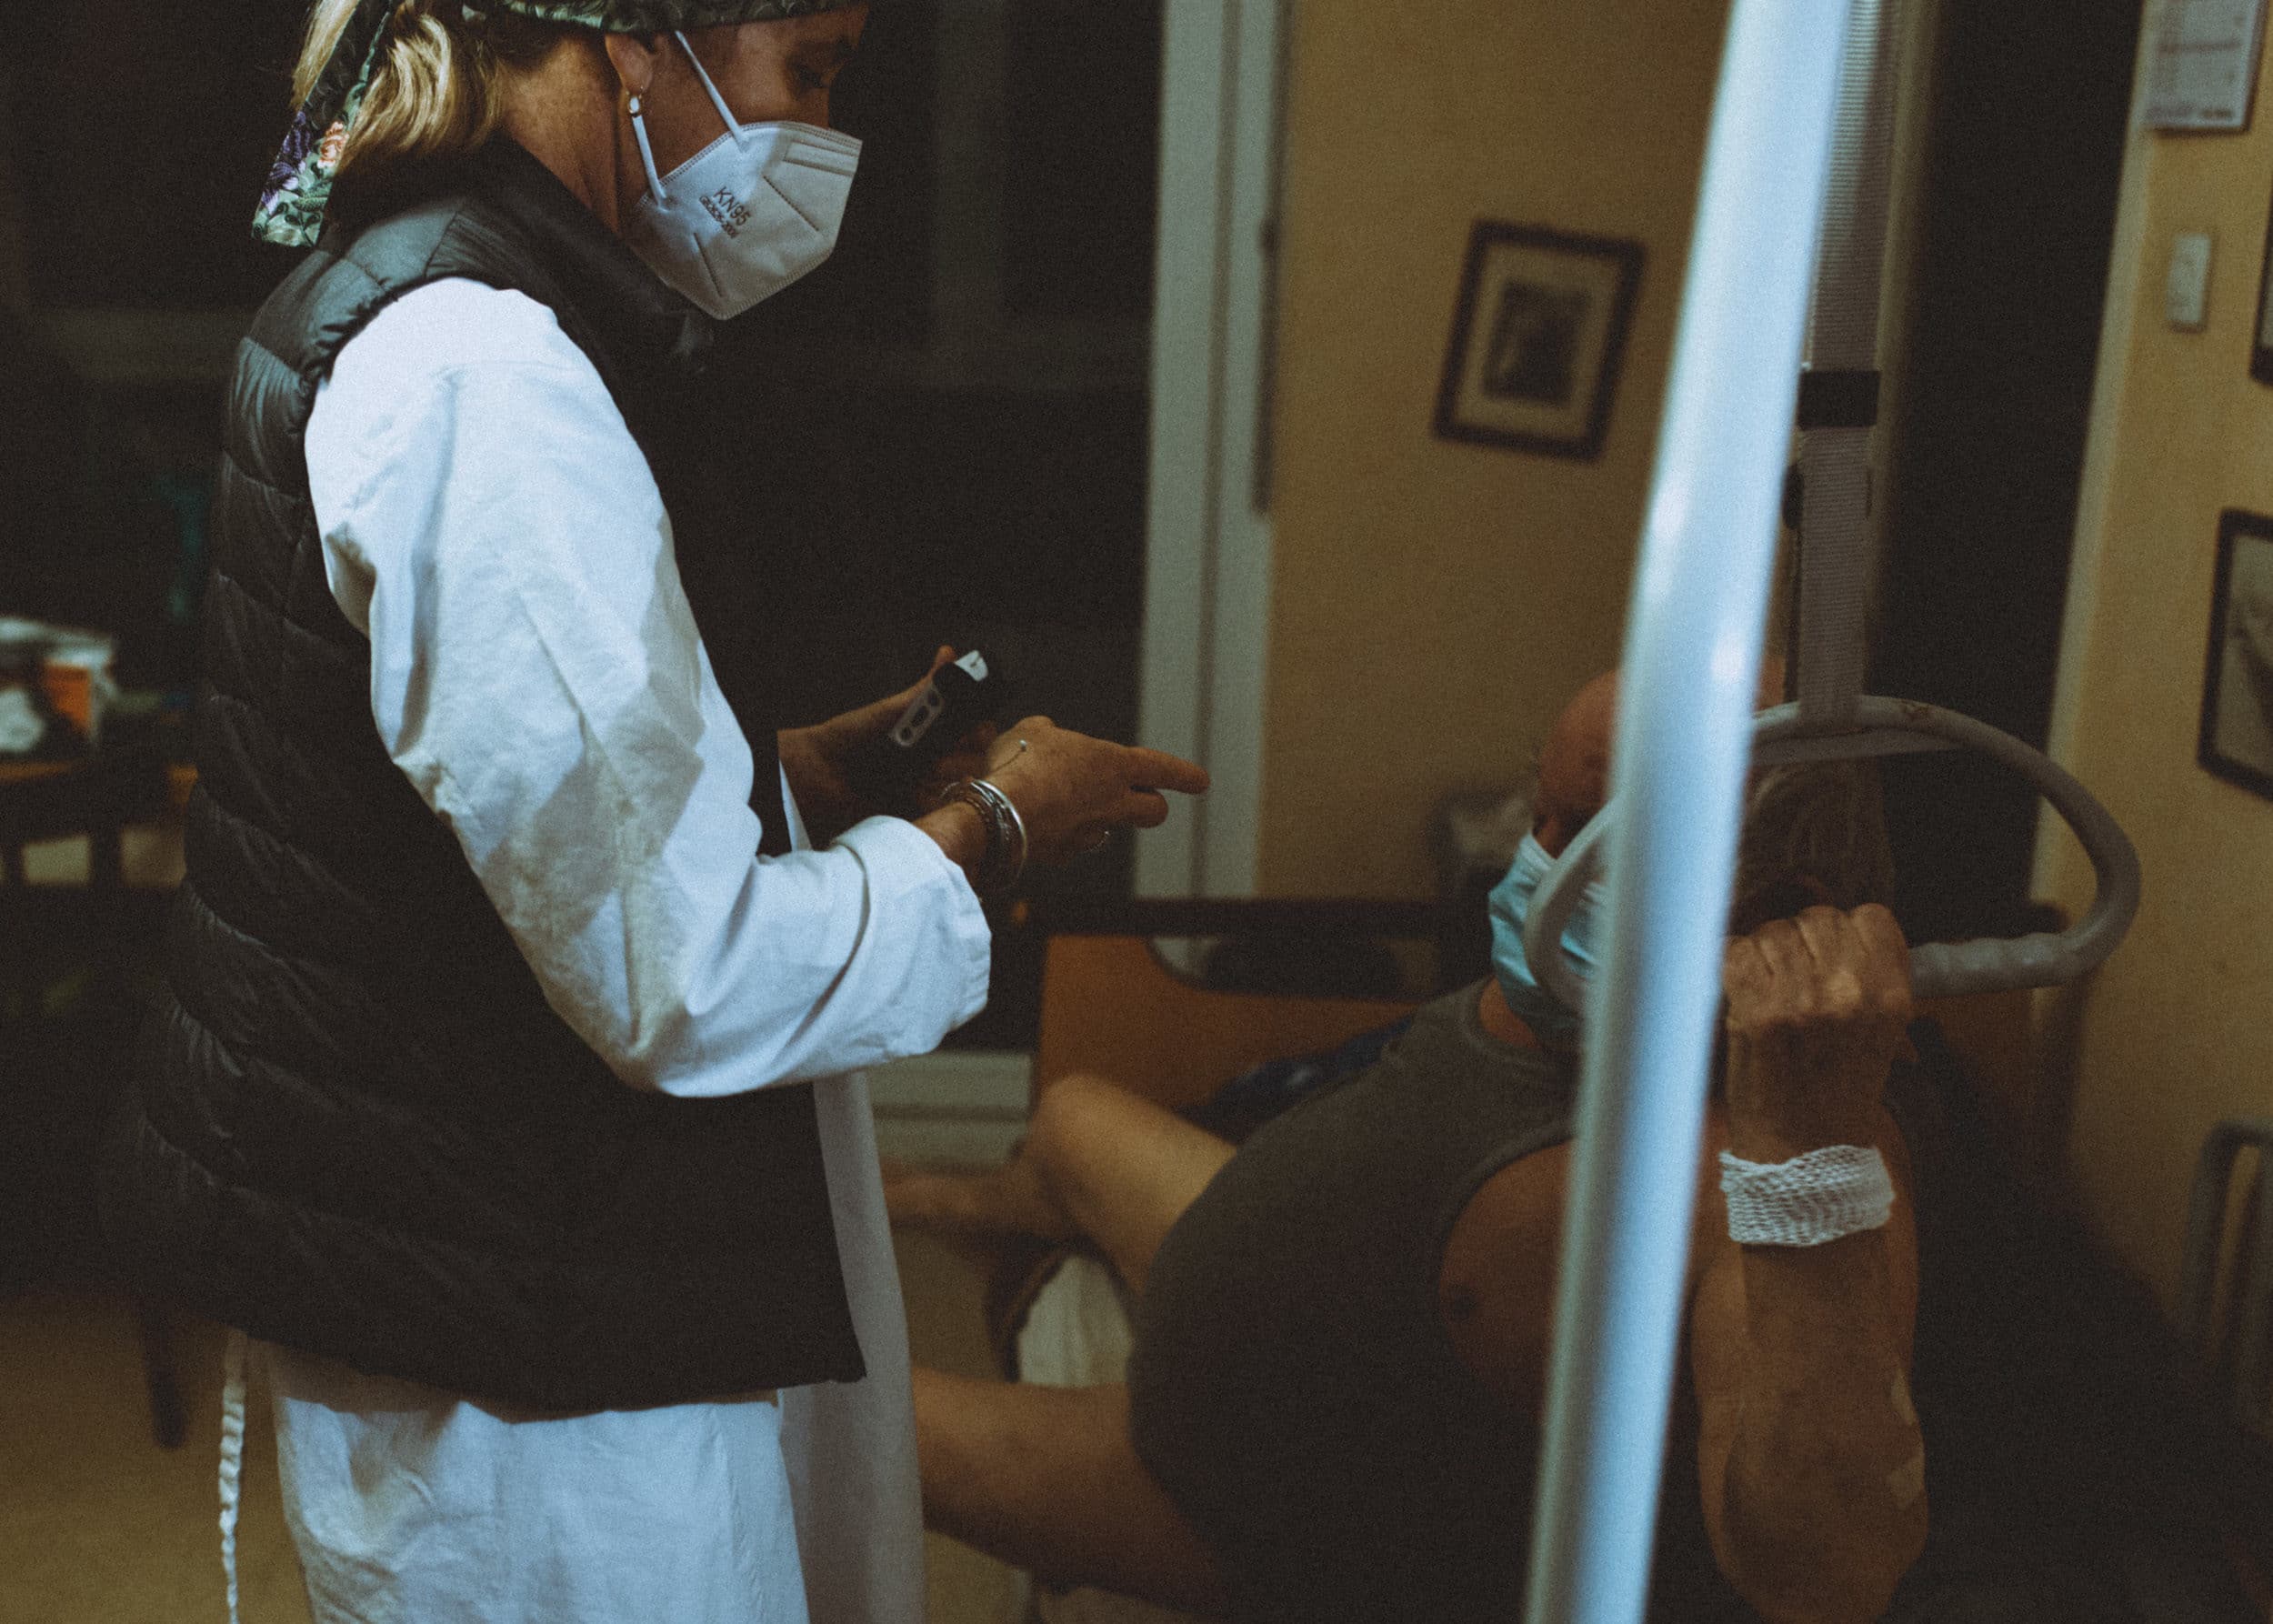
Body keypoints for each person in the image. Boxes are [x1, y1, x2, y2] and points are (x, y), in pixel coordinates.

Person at [98, 5, 1207, 1623]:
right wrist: (999, 823)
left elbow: (471, 800)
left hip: (517, 1272)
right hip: (534, 1365)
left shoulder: (460, 303)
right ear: (631, 41)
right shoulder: (483, 376)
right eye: (809, 69)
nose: (824, 135)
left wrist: (788, 773)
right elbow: (683, 973)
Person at [889, 671, 1930, 1624]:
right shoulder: (1586, 1005)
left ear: (1773, 914)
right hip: (1269, 1306)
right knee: (1071, 1116)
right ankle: (942, 1199)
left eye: (1589, 839)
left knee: (841, 1418)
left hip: (1237, 1505)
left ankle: (964, 1223)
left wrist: (1803, 1150)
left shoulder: (1761, 1172)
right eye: (1541, 813)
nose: (1529, 870)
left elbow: (1827, 1576)